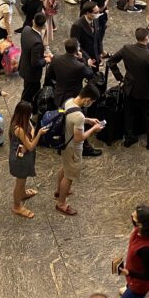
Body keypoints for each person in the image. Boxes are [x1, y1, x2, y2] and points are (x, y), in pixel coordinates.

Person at [55, 84, 105, 217]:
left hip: (64, 143)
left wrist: (87, 121)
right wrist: (93, 129)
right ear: (87, 99)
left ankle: (59, 190)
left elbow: (70, 118)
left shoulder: (69, 101)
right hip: (73, 149)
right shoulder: (79, 116)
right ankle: (61, 203)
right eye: (92, 101)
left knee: (64, 167)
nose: (91, 103)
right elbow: (79, 138)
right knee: (69, 176)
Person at [108, 28, 149, 147]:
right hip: (145, 92)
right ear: (147, 38)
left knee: (129, 113)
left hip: (129, 87)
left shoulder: (127, 48)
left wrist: (120, 77)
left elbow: (111, 61)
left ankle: (129, 137)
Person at [9, 100, 46, 218]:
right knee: (19, 183)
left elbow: (31, 131)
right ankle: (16, 206)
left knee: (23, 180)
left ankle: (23, 194)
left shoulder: (24, 121)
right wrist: (39, 133)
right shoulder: (19, 128)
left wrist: (33, 134)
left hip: (24, 157)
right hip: (20, 160)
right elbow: (30, 146)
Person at [19, 14, 49, 106]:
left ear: (33, 21)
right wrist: (46, 60)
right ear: (44, 26)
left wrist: (41, 54)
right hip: (32, 75)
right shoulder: (37, 42)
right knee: (28, 96)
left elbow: (28, 49)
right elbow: (35, 63)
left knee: (27, 90)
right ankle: (21, 113)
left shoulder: (26, 29)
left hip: (24, 66)